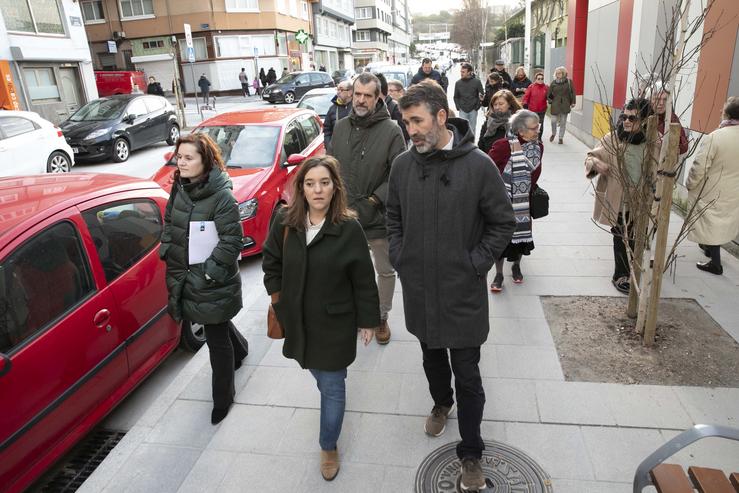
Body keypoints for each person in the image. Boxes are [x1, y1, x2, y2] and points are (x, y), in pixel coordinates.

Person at [389, 80, 515, 492]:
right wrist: (400, 256)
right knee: (431, 358)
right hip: (421, 291)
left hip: (462, 294)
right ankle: (441, 403)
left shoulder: (478, 166)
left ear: (442, 117)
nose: (412, 131)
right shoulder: (403, 166)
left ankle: (472, 452)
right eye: (407, 122)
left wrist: (474, 264)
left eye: (418, 121)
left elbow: (503, 224)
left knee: (469, 375)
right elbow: (394, 218)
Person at [262, 156, 380, 482]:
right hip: (298, 322)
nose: (317, 190)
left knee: (332, 386)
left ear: (334, 187)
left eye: (324, 183)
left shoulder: (349, 228)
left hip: (334, 325)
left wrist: (369, 321)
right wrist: (278, 299)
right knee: (319, 375)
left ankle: (328, 445)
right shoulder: (285, 221)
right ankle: (329, 394)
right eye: (310, 183)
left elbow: (363, 280)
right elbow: (271, 263)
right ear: (301, 187)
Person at [160, 133, 248, 425]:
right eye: (179, 157)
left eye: (188, 158)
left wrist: (209, 272)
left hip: (210, 278)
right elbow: (170, 219)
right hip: (184, 272)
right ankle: (242, 350)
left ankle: (222, 399)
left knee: (215, 336)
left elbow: (232, 239)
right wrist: (166, 248)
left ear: (205, 161)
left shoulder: (221, 196)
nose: (181, 163)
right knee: (217, 322)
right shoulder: (180, 186)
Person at [328, 72, 405, 344]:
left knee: (384, 270)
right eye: (357, 94)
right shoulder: (340, 127)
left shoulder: (392, 131)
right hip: (344, 215)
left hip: (377, 216)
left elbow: (399, 174)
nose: (360, 100)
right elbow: (332, 167)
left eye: (367, 95)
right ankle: (355, 312)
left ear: (378, 97)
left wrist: (374, 200)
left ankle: (381, 316)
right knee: (346, 268)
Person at [584, 98, 652, 294]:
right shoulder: (612, 139)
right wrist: (597, 164)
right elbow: (590, 156)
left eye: (633, 118)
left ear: (645, 120)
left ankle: (634, 271)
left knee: (637, 236)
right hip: (618, 198)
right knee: (621, 235)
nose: (626, 121)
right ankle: (620, 275)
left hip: (641, 199)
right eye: (624, 116)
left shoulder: (652, 143)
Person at [487, 110, 543, 292]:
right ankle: (499, 273)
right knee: (501, 239)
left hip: (524, 202)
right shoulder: (502, 146)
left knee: (521, 237)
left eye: (538, 127)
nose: (537, 131)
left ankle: (516, 266)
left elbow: (534, 173)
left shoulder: (538, 147)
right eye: (533, 128)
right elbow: (488, 170)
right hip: (502, 201)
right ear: (520, 129)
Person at [685, 96, 739, 275]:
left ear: (726, 114)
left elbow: (700, 166)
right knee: (721, 222)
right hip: (733, 190)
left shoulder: (716, 137)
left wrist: (690, 183)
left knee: (712, 222)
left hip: (712, 189)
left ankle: (716, 264)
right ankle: (708, 248)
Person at [478, 89, 522, 154]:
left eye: (501, 104)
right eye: (495, 104)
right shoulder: (487, 123)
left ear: (509, 104)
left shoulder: (518, 122)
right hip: (490, 161)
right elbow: (481, 147)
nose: (497, 107)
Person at [651, 83, 689, 156]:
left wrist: (667, 143)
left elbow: (684, 146)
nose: (661, 103)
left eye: (665, 99)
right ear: (650, 99)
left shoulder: (672, 117)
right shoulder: (642, 115)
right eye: (657, 99)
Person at [453, 62, 485, 136]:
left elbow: (481, 95)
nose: (461, 73)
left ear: (469, 72)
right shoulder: (458, 83)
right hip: (462, 109)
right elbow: (456, 96)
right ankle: (464, 145)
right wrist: (458, 107)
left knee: (472, 128)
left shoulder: (477, 82)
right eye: (461, 71)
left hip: (473, 109)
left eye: (463, 72)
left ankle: (471, 145)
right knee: (463, 129)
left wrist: (477, 107)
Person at [376, 72, 409, 142]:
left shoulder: (395, 108)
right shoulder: (381, 105)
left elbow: (405, 133)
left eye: (391, 91)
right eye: (388, 90)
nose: (389, 93)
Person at [547, 66, 576, 144]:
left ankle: (560, 137)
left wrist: (573, 102)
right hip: (555, 105)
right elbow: (549, 94)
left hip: (565, 104)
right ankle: (553, 133)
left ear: (563, 73)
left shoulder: (569, 82)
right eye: (556, 73)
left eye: (559, 73)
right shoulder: (553, 82)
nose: (557, 74)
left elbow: (573, 92)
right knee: (553, 121)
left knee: (563, 122)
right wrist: (550, 101)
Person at [323, 80, 353, 147]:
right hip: (337, 152)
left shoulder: (357, 107)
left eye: (341, 90)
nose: (338, 92)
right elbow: (327, 131)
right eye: (337, 89)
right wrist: (329, 147)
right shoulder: (332, 109)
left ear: (350, 92)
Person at [522, 72, 549, 139]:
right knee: (532, 124)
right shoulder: (531, 87)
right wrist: (525, 103)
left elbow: (549, 97)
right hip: (532, 109)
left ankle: (539, 138)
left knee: (540, 124)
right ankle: (531, 136)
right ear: (535, 79)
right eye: (539, 79)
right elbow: (526, 97)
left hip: (542, 109)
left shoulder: (546, 87)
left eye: (542, 79)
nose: (540, 80)